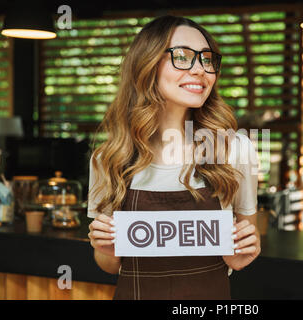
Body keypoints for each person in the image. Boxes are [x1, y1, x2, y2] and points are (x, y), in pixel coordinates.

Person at [87, 15, 261, 300]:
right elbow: (108, 264)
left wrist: (244, 252)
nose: (200, 70)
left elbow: (242, 251)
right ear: (146, 64)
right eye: (182, 57)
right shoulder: (109, 157)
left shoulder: (235, 149)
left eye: (207, 59)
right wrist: (105, 249)